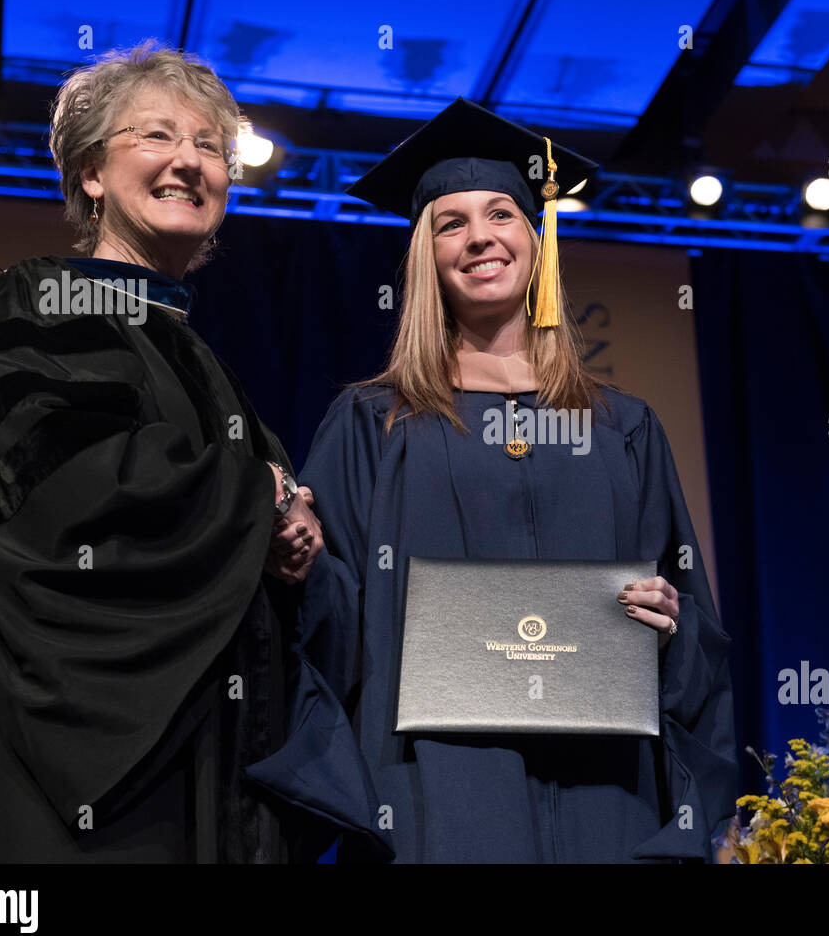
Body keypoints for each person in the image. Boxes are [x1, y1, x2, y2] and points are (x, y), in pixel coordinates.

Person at [249, 99, 737, 862]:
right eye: (451, 223)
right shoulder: (373, 423)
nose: (481, 236)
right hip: (431, 794)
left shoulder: (622, 427)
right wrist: (300, 563)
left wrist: (668, 623)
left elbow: (693, 626)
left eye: (503, 213)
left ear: (535, 238)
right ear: (425, 256)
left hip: (606, 792)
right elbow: (330, 615)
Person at [0, 43, 324, 861]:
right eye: (157, 136)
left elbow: (248, 519)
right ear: (91, 173)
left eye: (210, 147)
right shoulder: (40, 304)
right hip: (72, 780)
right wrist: (254, 497)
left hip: (191, 769)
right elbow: (72, 496)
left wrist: (292, 527)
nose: (189, 163)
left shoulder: (201, 357)